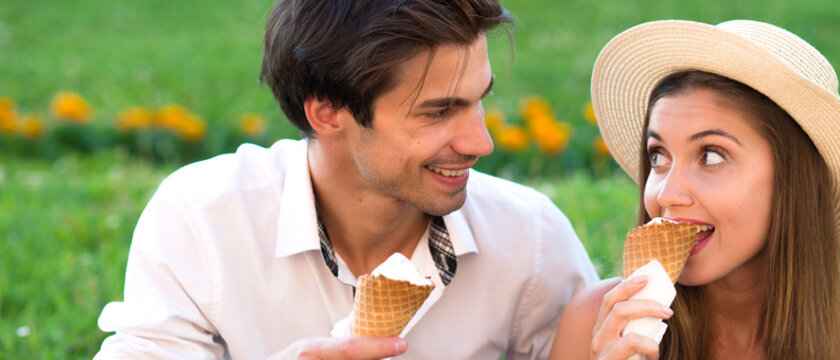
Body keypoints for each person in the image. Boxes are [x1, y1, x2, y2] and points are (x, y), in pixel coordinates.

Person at [94, 0, 598, 358]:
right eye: (438, 112)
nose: (480, 142)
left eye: (479, 99)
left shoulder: (530, 236)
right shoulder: (203, 218)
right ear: (328, 113)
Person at [549, 20, 840, 359]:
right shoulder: (595, 326)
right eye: (659, 156)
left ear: (793, 182)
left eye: (710, 155)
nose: (666, 194)